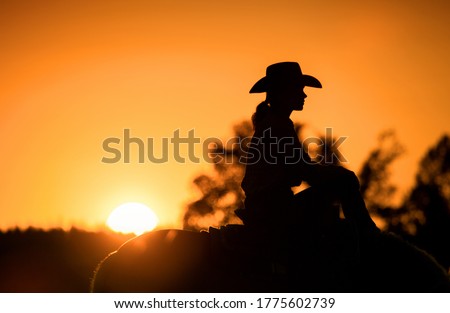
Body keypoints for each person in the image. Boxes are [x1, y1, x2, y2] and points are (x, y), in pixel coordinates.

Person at [239, 62, 378, 238]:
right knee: (345, 182)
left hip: (268, 209)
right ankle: (369, 237)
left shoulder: (274, 123)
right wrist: (341, 175)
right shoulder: (277, 126)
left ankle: (363, 235)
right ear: (284, 92)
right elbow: (305, 170)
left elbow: (301, 168)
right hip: (273, 213)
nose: (304, 95)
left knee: (340, 186)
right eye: (299, 89)